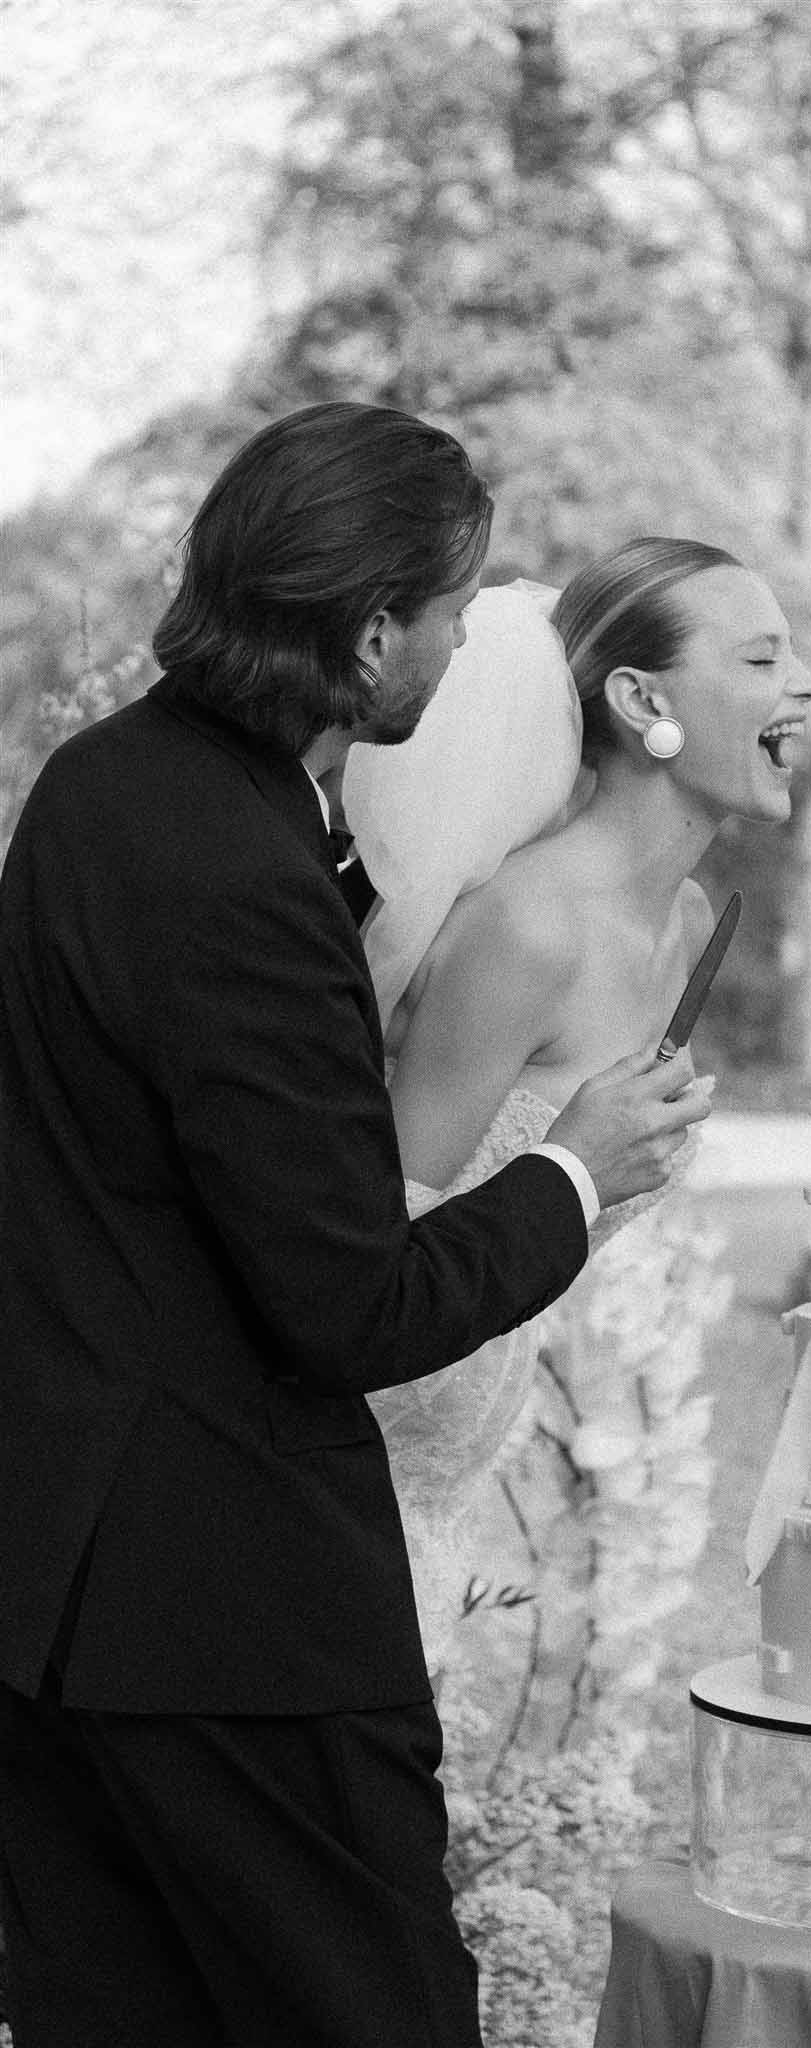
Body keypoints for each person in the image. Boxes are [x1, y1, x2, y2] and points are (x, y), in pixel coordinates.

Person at [0, 403, 710, 2048]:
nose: (472, 645)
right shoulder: (238, 871)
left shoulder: (101, 789)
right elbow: (346, 1301)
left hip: (62, 1601)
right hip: (224, 1621)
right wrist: (579, 1171)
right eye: (455, 609)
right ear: (371, 629)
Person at [341, 541, 811, 1714]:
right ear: (642, 700)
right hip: (362, 1487)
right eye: (761, 657)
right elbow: (365, 1260)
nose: (803, 685)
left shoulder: (691, 918)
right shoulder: (528, 929)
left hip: (451, 1493)